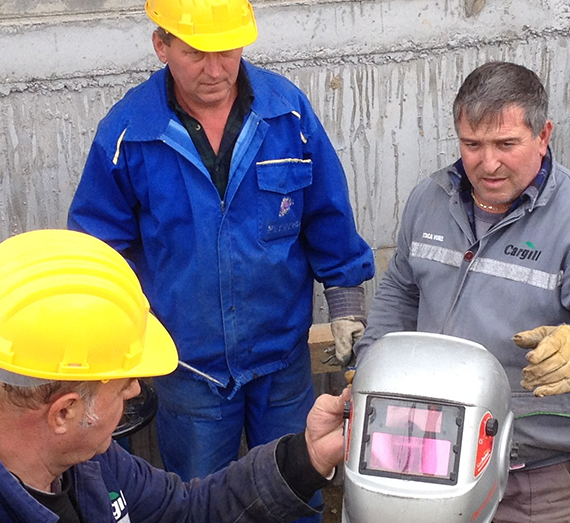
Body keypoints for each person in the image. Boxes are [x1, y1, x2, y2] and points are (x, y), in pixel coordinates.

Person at [65, 0, 374, 491]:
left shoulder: (287, 115)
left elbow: (326, 211)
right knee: (198, 499)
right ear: (162, 46)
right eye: (195, 54)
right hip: (189, 369)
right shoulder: (128, 134)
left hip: (281, 360)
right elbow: (99, 253)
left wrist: (346, 302)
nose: (215, 70)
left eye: (227, 52)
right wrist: (120, 343)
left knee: (299, 489)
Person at [349, 62, 570, 522]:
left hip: (542, 483)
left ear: (543, 134)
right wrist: (371, 366)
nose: (487, 163)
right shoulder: (430, 201)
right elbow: (401, 291)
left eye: (506, 144)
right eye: (472, 144)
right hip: (429, 461)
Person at [0, 229, 349, 522]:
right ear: (65, 412)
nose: (137, 389)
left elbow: (185, 512)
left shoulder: (82, 460)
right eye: (123, 384)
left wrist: (306, 457)